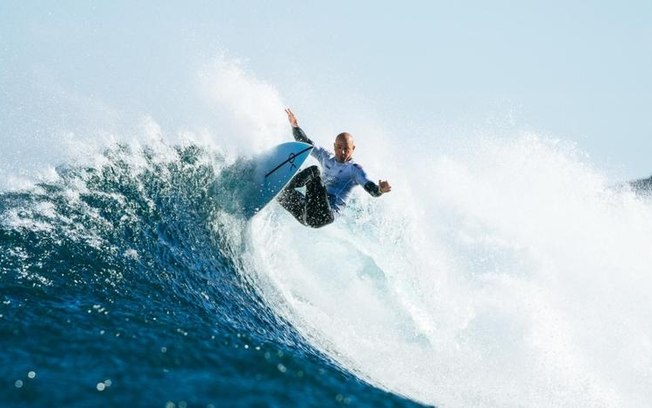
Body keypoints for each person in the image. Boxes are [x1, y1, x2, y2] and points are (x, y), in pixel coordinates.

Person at [276, 108, 392, 228]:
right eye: (339, 147)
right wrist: (295, 125)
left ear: (353, 149)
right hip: (306, 214)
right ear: (334, 146)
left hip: (325, 215)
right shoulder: (325, 157)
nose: (342, 152)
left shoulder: (354, 170)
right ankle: (278, 189)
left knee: (314, 171)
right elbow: (305, 142)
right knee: (282, 194)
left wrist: (380, 190)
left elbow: (371, 189)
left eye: (346, 149)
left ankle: (287, 184)